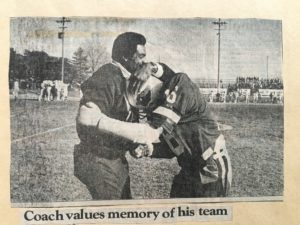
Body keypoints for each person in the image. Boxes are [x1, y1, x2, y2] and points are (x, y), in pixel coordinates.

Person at [74, 32, 162, 200]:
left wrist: (130, 144)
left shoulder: (124, 77)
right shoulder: (107, 76)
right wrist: (137, 133)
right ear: (125, 57)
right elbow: (86, 118)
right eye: (140, 56)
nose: (144, 62)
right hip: (99, 158)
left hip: (113, 158)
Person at [129, 62, 232, 198]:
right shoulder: (164, 112)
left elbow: (175, 78)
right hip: (188, 169)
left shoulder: (182, 85)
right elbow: (174, 147)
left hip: (210, 168)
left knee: (204, 216)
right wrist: (148, 150)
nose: (144, 107)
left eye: (143, 98)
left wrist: (152, 67)